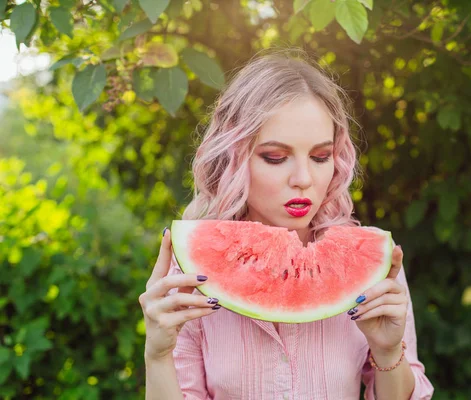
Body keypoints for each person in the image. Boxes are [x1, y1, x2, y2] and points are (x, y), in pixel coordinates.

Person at [138, 50, 434, 400]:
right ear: (235, 157)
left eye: (320, 157)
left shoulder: (376, 273)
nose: (303, 179)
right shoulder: (190, 281)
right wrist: (157, 357)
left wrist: (387, 352)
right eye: (275, 157)